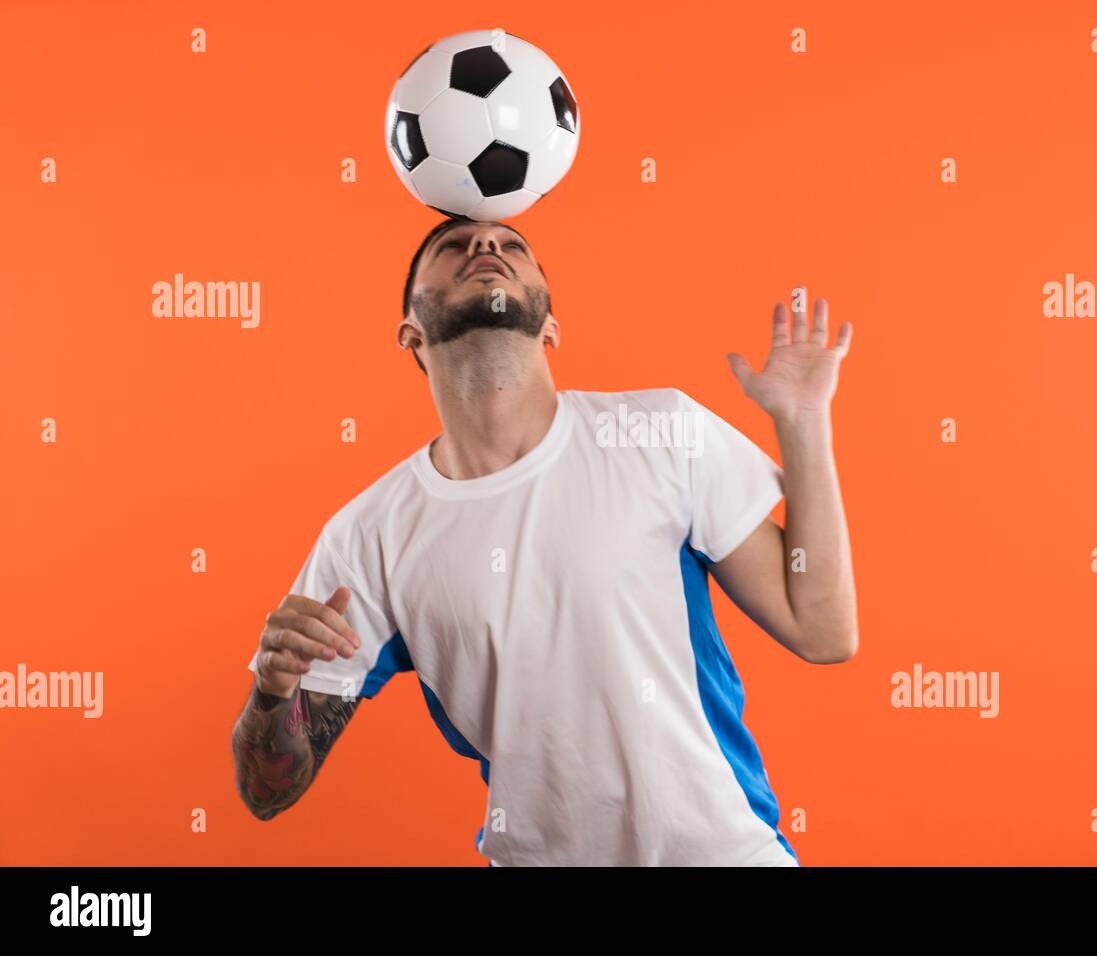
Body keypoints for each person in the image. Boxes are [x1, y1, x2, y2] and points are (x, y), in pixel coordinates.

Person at [231, 217, 857, 866]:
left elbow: (823, 631)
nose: (484, 247)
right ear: (410, 335)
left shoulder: (660, 432)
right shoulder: (367, 537)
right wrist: (272, 691)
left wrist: (804, 423)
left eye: (512, 247)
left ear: (551, 324)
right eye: (452, 246)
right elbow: (267, 791)